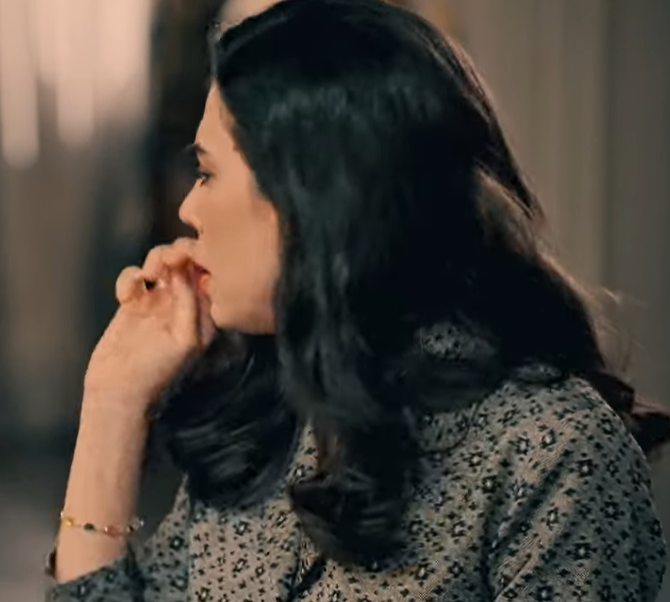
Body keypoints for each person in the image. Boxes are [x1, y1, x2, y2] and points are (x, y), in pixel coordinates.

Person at [46, 0, 669, 600]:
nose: (188, 208)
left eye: (207, 173)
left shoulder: (553, 451)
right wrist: (112, 403)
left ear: (311, 199)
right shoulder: (265, 418)